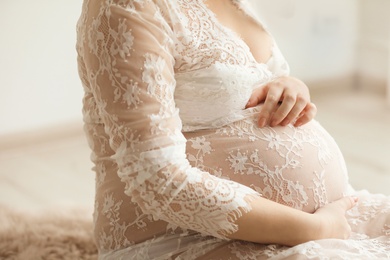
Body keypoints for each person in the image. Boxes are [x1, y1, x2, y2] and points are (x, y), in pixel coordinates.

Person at [76, 0, 390, 259]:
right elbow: (156, 180)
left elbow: (251, 82)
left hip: (326, 213)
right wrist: (313, 230)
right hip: (185, 238)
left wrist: (290, 87)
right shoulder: (125, 6)